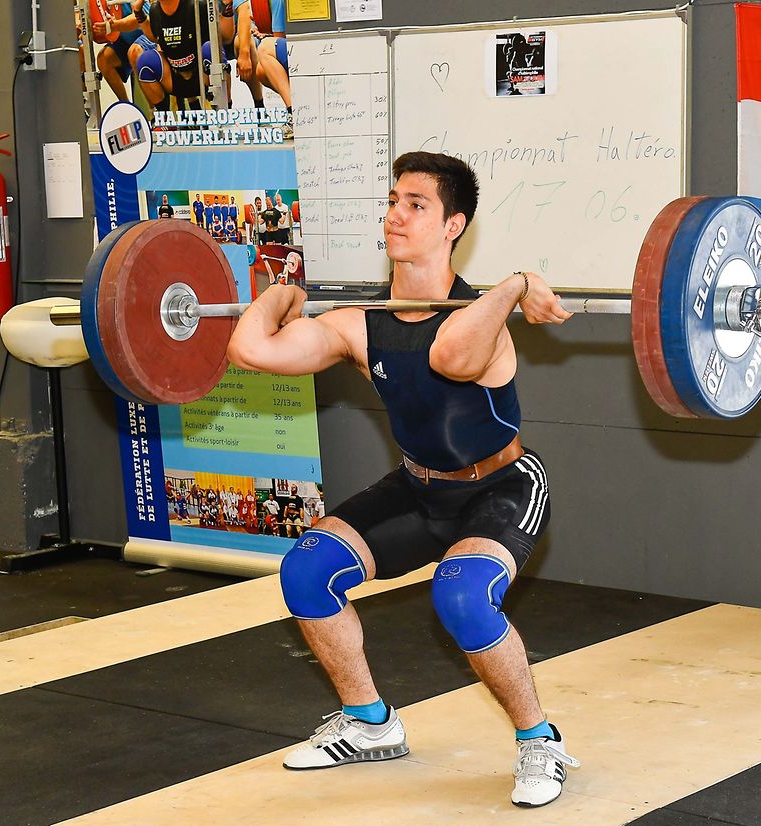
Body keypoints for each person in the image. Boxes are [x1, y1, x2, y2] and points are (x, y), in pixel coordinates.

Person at [226, 151, 577, 808]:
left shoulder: (482, 317)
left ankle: (540, 740)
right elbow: (251, 350)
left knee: (464, 598)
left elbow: (450, 354)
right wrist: (280, 295)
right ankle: (368, 723)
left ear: (453, 225)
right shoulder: (361, 326)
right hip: (420, 488)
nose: (395, 214)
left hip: (501, 486)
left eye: (416, 204)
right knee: (306, 572)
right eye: (393, 200)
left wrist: (517, 283)